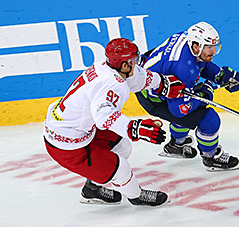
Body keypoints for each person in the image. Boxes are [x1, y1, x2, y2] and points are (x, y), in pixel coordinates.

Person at [43, 38, 186, 206]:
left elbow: (136, 78)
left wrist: (162, 83)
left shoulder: (106, 68)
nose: (136, 63)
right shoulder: (112, 84)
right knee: (121, 168)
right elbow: (104, 116)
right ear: (124, 65)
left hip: (70, 129)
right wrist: (137, 128)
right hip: (67, 146)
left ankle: (92, 189)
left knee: (122, 146)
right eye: (133, 60)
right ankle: (137, 196)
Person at [136, 22, 239, 171]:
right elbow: (180, 109)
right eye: (208, 47)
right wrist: (205, 93)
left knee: (188, 112)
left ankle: (176, 145)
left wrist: (220, 75)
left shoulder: (188, 40)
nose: (213, 51)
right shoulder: (184, 69)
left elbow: (200, 63)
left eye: (213, 46)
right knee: (209, 119)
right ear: (196, 46)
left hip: (152, 84)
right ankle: (211, 157)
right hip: (154, 98)